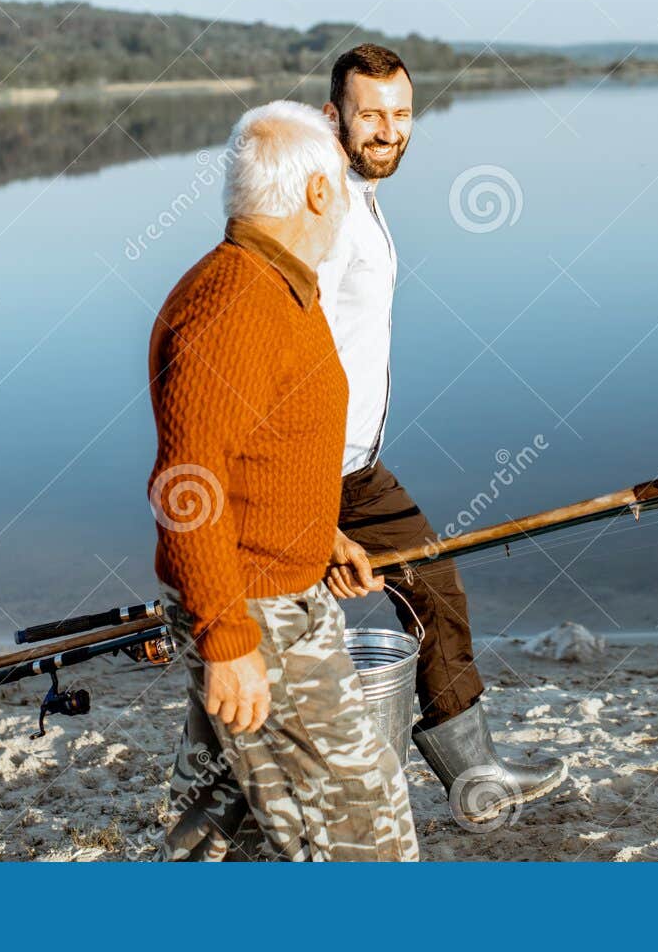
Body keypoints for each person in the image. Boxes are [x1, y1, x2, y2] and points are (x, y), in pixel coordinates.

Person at [148, 99, 417, 861]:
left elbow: (256, 457)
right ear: (318, 193)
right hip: (258, 614)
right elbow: (186, 485)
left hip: (265, 590)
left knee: (219, 820)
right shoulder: (236, 304)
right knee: (367, 833)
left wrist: (317, 533)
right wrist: (229, 642)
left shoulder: (278, 285)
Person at [317, 45, 566, 827]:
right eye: (370, 115)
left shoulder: (360, 193)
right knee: (271, 637)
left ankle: (474, 771)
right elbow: (280, 365)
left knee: (433, 583)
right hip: (310, 472)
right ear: (334, 117)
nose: (388, 131)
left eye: (399, 114)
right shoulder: (320, 211)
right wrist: (315, 523)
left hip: (356, 467)